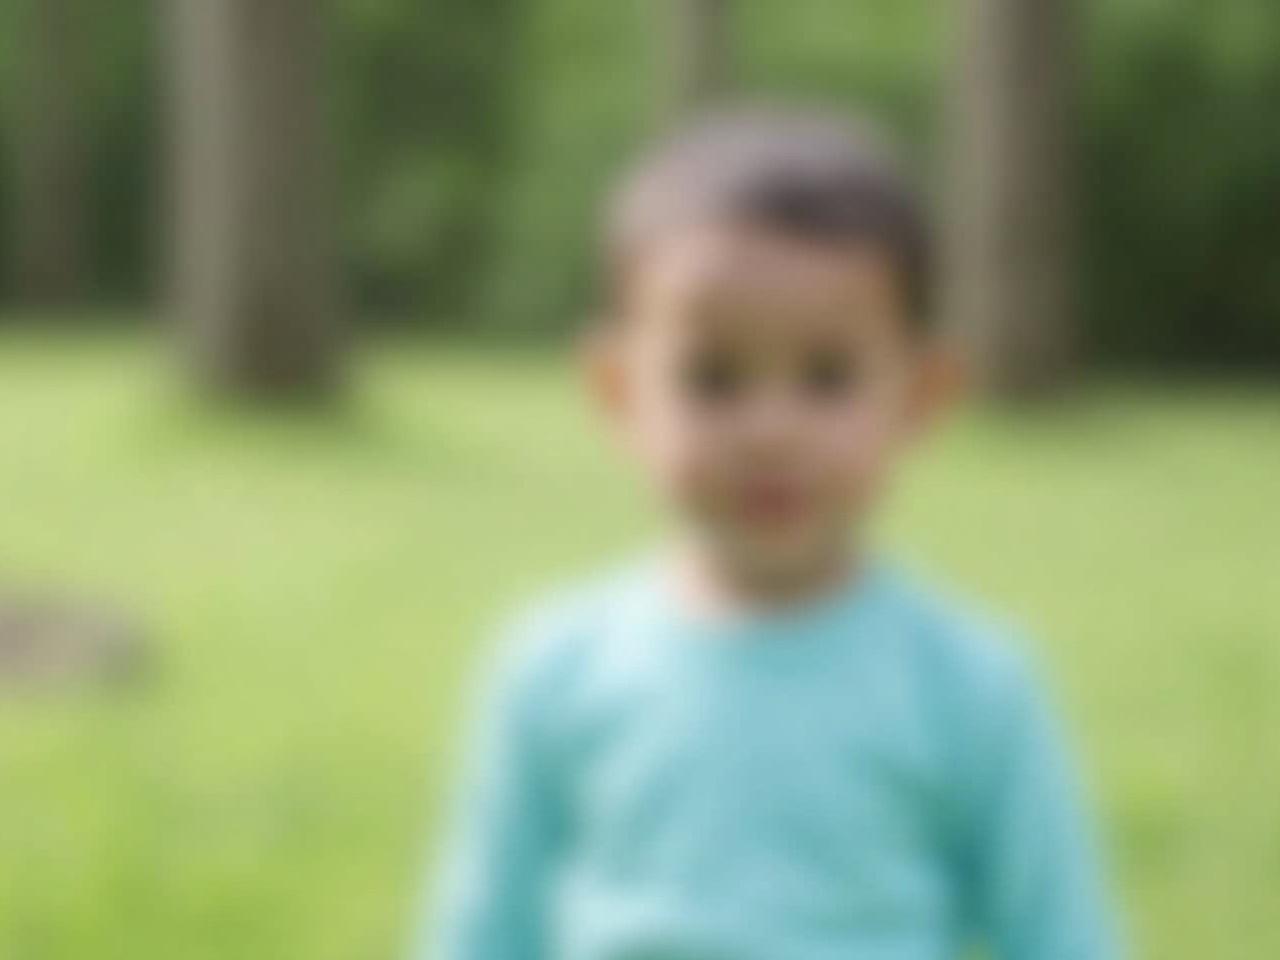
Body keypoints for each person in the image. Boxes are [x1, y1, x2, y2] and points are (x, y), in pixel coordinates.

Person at [424, 106, 1121, 960]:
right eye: (713, 379)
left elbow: (1058, 938)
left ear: (921, 394)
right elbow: (484, 936)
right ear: (618, 391)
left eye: (827, 378)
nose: (770, 431)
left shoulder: (972, 686)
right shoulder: (555, 669)